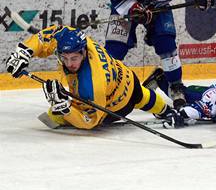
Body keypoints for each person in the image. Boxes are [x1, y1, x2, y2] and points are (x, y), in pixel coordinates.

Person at [105, 0, 216, 110]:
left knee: (167, 43)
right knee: (114, 51)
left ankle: (176, 86)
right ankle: (105, 88)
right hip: (127, 7)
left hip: (159, 7)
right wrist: (135, 9)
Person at [5, 25, 181, 129]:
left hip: (117, 105)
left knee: (55, 114)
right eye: (64, 58)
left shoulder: (93, 84)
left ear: (83, 52)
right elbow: (49, 36)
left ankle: (166, 111)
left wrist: (65, 108)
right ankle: (166, 111)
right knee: (140, 95)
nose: (69, 64)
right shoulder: (78, 39)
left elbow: (91, 122)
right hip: (126, 75)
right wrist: (24, 52)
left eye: (74, 58)